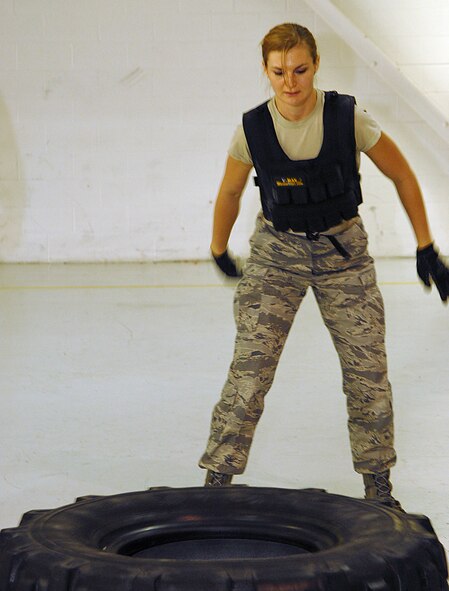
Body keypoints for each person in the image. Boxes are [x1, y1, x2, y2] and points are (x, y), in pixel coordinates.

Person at [199, 23, 449, 508]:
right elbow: (230, 191)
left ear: (315, 65)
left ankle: (378, 486)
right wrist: (218, 248)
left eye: (300, 70)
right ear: (265, 71)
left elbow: (401, 173)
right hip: (277, 253)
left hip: (343, 254)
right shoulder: (252, 128)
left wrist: (426, 247)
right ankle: (217, 482)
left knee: (368, 373)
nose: (290, 83)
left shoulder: (347, 117)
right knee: (250, 371)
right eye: (278, 72)